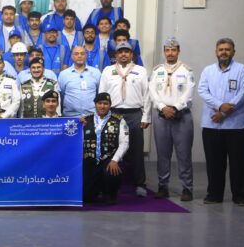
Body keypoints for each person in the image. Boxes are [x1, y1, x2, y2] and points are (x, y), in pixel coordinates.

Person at [197, 38, 244, 205]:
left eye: (227, 49)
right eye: (221, 49)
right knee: (214, 163)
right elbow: (202, 91)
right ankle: (214, 195)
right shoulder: (208, 71)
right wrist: (220, 106)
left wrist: (225, 111)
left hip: (237, 125)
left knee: (239, 163)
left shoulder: (242, 70)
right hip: (212, 124)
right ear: (216, 52)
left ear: (233, 52)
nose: (224, 52)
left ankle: (240, 196)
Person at [98, 41, 151, 197]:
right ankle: (112, 182)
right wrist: (102, 115)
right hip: (113, 114)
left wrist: (146, 116)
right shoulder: (108, 71)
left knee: (136, 150)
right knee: (111, 149)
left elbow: (147, 95)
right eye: (120, 52)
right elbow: (102, 93)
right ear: (115, 55)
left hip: (134, 114)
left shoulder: (140, 71)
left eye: (126, 51)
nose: (123, 54)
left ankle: (140, 184)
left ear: (131, 54)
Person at [149, 37, 195, 201]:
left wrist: (175, 108)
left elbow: (189, 92)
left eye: (173, 50)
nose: (170, 53)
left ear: (178, 51)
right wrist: (163, 107)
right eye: (167, 50)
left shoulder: (186, 70)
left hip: (181, 116)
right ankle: (163, 186)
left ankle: (187, 188)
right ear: (164, 52)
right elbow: (152, 91)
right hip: (161, 116)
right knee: (163, 153)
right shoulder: (157, 71)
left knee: (184, 154)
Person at [82, 92, 129, 204]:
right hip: (91, 160)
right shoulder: (85, 120)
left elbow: (124, 143)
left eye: (105, 103)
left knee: (112, 171)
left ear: (110, 105)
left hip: (109, 159)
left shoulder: (119, 120)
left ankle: (111, 193)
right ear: (95, 104)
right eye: (99, 103)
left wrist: (115, 160)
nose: (102, 106)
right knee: (87, 197)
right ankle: (96, 190)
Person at [58, 46, 101, 118]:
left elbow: (98, 93)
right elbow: (61, 95)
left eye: (82, 53)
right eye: (76, 54)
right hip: (70, 117)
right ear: (72, 56)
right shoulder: (63, 74)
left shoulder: (96, 73)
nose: (79, 56)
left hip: (91, 116)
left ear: (86, 56)